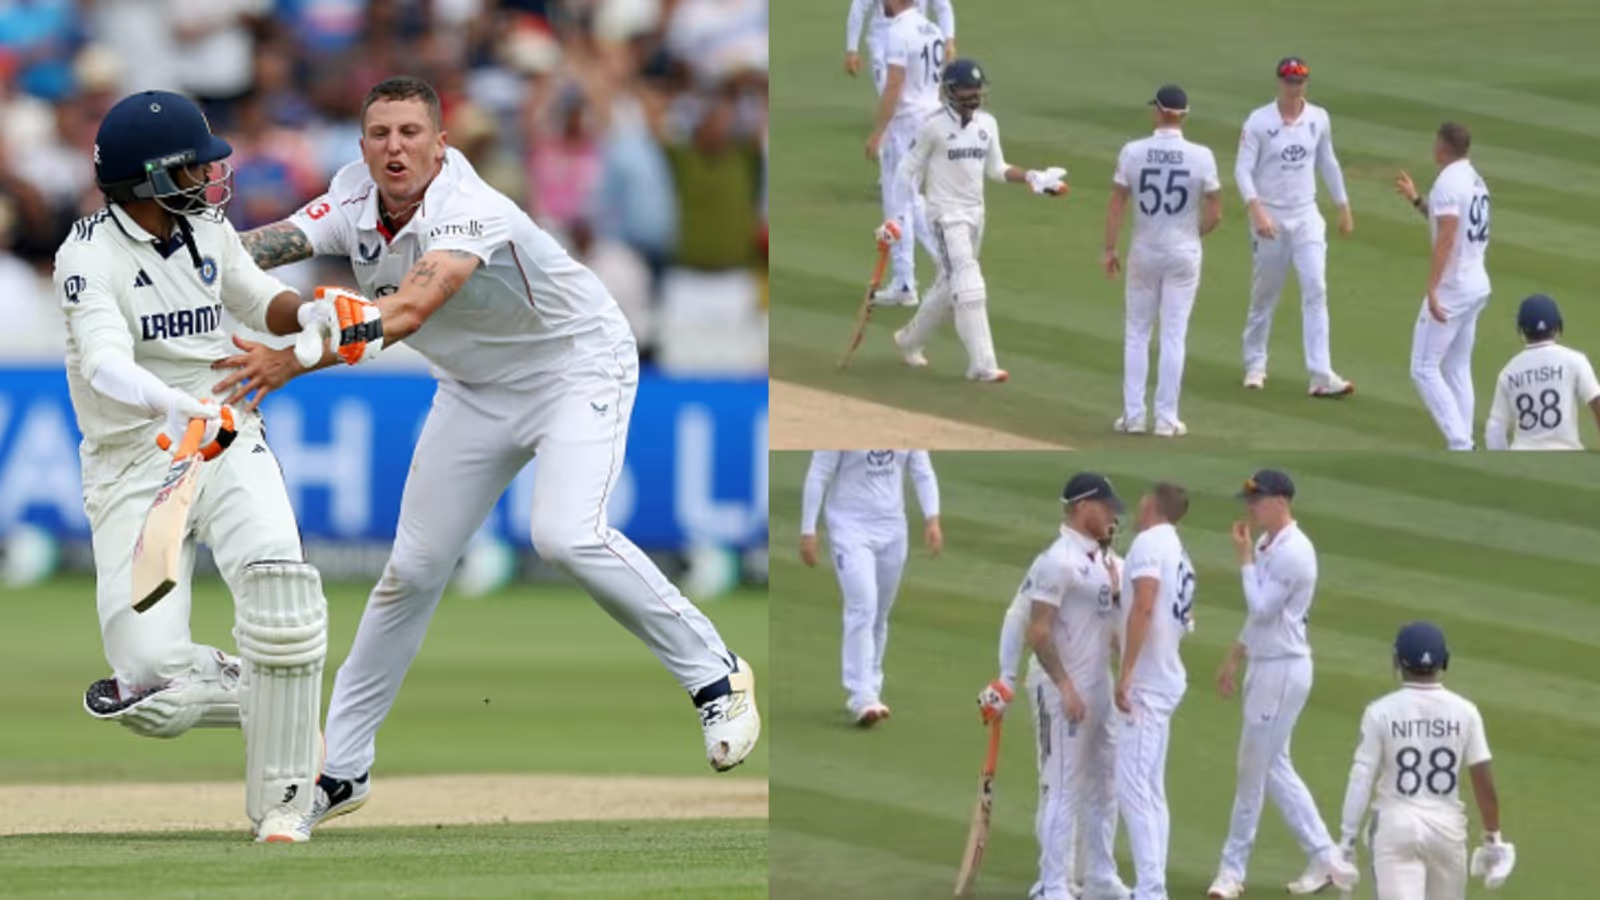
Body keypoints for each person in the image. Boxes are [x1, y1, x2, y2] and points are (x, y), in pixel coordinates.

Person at [218, 77, 762, 829]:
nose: (395, 147)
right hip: (475, 388)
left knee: (565, 534)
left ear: (441, 143)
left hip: (576, 367)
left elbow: (406, 312)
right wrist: (182, 256)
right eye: (380, 134)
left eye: (411, 132)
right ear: (363, 146)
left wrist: (290, 360)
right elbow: (267, 247)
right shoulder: (351, 197)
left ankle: (717, 676)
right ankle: (341, 770)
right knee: (410, 570)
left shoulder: (470, 210)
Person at [61, 90, 327, 842]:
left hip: (224, 435)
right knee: (152, 692)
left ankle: (284, 808)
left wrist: (309, 315)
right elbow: (106, 364)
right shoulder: (86, 256)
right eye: (191, 168)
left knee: (280, 589)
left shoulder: (207, 228)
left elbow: (261, 296)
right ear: (147, 181)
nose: (209, 180)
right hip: (134, 465)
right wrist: (166, 406)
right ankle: (265, 691)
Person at [1208, 469, 1356, 898]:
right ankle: (1327, 857)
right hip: (1266, 664)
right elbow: (1256, 618)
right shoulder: (1266, 543)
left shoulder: (1295, 553)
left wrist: (1242, 561)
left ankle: (1231, 872)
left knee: (1251, 769)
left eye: (1256, 501)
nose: (1249, 508)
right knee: (1273, 766)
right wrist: (1235, 655)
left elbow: (1261, 606)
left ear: (1280, 501)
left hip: (1283, 670)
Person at [990, 473, 1131, 900]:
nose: (1112, 515)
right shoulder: (1057, 560)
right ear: (1083, 506)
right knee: (1061, 785)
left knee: (1105, 783)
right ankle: (1052, 883)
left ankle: (1099, 878)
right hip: (1059, 690)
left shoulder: (1108, 561)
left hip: (1100, 689)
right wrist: (1034, 682)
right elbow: (1033, 628)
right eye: (1106, 507)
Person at [888, 58, 1066, 382]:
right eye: (968, 89)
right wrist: (898, 218)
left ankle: (909, 340)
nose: (974, 95)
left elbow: (996, 169)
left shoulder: (988, 124)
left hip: (975, 216)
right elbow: (906, 170)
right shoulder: (933, 126)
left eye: (977, 88)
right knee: (970, 284)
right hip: (944, 215)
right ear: (951, 91)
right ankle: (982, 365)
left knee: (950, 283)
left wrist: (1032, 178)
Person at [1335, 621, 1514, 897]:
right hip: (1448, 831)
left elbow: (1361, 777)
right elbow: (1483, 781)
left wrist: (1346, 842)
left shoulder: (1379, 712)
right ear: (1445, 660)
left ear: (1397, 661)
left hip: (1395, 828)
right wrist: (1493, 839)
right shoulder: (1466, 712)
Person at [1104, 84, 1222, 437]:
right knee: (1174, 335)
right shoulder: (1202, 156)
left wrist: (1109, 249)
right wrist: (1191, 235)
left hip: (1145, 249)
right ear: (1183, 115)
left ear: (1158, 112)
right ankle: (1167, 419)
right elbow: (1215, 211)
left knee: (1137, 333)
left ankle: (1134, 416)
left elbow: (1116, 204)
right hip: (1184, 251)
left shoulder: (1133, 151)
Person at [1236, 56, 1355, 397]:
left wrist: (1342, 205)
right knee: (1264, 295)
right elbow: (1243, 170)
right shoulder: (1259, 122)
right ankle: (1255, 364)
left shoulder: (1318, 119)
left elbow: (1327, 162)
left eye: (1300, 81)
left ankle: (1320, 374)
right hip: (1270, 217)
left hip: (1306, 215)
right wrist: (1256, 210)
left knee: (1316, 289)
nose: (1295, 86)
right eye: (1289, 80)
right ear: (1279, 82)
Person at [800, 450, 942, 724]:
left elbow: (922, 471)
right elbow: (818, 474)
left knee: (879, 613)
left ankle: (871, 686)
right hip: (849, 526)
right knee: (862, 606)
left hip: (893, 528)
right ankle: (860, 695)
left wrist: (932, 519)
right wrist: (808, 531)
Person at [1113, 482, 1196, 900]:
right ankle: (1151, 885)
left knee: (1134, 788)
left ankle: (1151, 890)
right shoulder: (1180, 553)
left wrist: (1126, 672)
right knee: (1151, 786)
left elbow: (1145, 605)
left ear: (1151, 505)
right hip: (1166, 676)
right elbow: (1182, 619)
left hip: (1147, 684)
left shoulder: (1148, 543)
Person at [1394, 122, 1492, 450]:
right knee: (1456, 365)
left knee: (1423, 368)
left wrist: (1433, 288)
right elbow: (1447, 224)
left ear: (1442, 146)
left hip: (1454, 287)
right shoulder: (1475, 180)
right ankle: (1465, 441)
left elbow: (1447, 237)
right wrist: (1416, 200)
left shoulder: (1449, 182)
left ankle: (1460, 442)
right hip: (1476, 284)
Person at [862, 0, 947, 307]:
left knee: (897, 200)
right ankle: (949, 265)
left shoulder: (898, 32)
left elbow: (894, 85)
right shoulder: (932, 28)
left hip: (906, 123)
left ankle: (905, 282)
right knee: (910, 198)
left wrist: (878, 132)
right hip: (931, 117)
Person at [1484, 293, 1600, 450]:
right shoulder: (1575, 361)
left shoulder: (1508, 373)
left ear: (1521, 330)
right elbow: (1597, 403)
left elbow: (1495, 428)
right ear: (1558, 327)